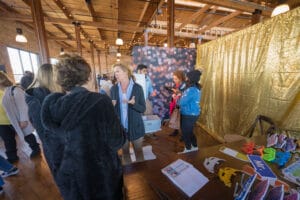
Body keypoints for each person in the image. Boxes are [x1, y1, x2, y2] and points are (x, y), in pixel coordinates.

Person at [40, 54, 125, 200]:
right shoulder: (100, 102)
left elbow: (52, 150)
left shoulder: (51, 107)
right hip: (102, 179)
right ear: (89, 76)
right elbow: (116, 141)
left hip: (70, 180)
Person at [25, 63, 61, 170]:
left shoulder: (43, 95)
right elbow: (42, 129)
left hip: (56, 145)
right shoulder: (37, 99)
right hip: (55, 147)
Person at [0, 72, 40, 162]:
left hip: (16, 120)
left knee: (27, 135)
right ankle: (12, 157)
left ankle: (35, 148)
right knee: (8, 140)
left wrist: (23, 120)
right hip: (3, 121)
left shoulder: (15, 90)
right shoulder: (4, 91)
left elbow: (23, 106)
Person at [110, 63, 146, 164]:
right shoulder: (114, 89)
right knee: (125, 154)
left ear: (126, 72)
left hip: (136, 127)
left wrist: (134, 104)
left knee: (139, 154)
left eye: (118, 71)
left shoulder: (137, 88)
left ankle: (142, 177)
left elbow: (143, 109)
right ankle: (128, 178)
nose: (115, 74)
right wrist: (111, 106)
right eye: (114, 72)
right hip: (121, 129)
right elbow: (112, 112)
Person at [178, 70, 202, 153]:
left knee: (185, 133)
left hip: (188, 114)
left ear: (191, 78)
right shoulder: (194, 87)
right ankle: (195, 146)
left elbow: (181, 102)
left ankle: (188, 149)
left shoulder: (191, 89)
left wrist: (177, 98)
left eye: (187, 77)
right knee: (190, 131)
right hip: (193, 113)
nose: (186, 78)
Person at [169, 70, 186, 136]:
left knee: (181, 119)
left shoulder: (184, 85)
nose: (174, 80)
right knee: (175, 117)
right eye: (173, 78)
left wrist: (177, 92)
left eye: (176, 79)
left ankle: (183, 135)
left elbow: (184, 95)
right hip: (175, 103)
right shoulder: (175, 84)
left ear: (181, 78)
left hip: (181, 104)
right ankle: (175, 131)